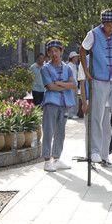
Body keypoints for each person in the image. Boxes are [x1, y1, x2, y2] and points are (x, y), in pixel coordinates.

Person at [79, 9, 112, 163]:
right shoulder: (93, 34)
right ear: (103, 24)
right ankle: (95, 151)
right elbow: (82, 50)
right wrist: (86, 70)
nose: (111, 28)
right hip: (99, 79)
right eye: (108, 25)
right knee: (97, 115)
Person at [40, 40, 76, 172]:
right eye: (51, 51)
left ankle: (57, 158)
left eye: (57, 50)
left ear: (61, 51)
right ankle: (46, 160)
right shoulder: (45, 68)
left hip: (64, 103)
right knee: (48, 131)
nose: (54, 53)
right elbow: (50, 86)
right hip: (51, 102)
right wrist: (65, 85)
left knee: (61, 132)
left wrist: (59, 83)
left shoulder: (68, 68)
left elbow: (73, 85)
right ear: (48, 53)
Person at [67, 51, 80, 119]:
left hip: (75, 85)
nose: (77, 58)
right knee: (72, 99)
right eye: (76, 57)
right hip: (71, 85)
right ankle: (71, 114)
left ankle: (73, 113)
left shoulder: (74, 65)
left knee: (75, 99)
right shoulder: (69, 65)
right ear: (72, 58)